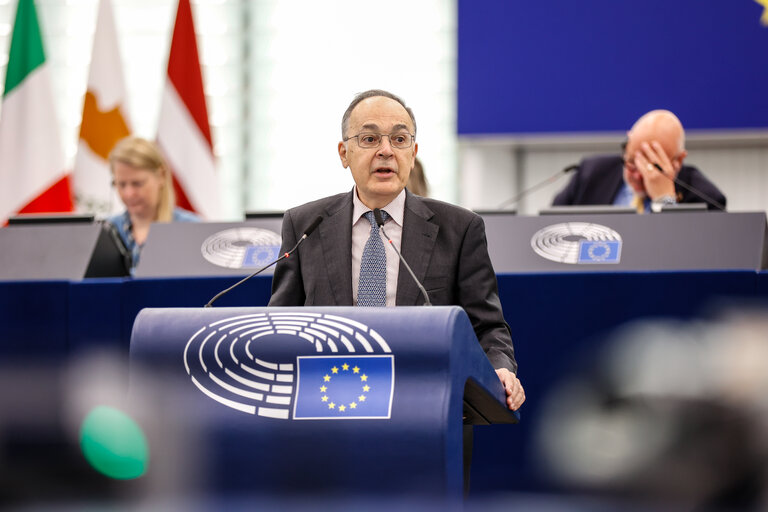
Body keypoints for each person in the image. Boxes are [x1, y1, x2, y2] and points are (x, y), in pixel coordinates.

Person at [268, 89, 524, 412]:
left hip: (426, 408)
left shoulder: (459, 228)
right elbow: (281, 325)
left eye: (399, 140)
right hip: (329, 408)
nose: (386, 151)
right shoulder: (305, 225)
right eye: (370, 139)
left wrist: (500, 367)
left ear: (413, 152)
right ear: (343, 153)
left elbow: (487, 327)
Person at [552, 110, 726, 212]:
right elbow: (548, 229)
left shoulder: (705, 198)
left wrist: (664, 201)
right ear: (628, 143)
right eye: (632, 162)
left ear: (678, 161)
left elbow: (690, 257)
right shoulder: (591, 173)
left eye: (651, 166)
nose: (636, 174)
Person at [107, 136, 198, 271]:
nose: (128, 193)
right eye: (121, 184)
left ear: (161, 176)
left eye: (137, 183)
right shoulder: (106, 231)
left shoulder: (192, 230)